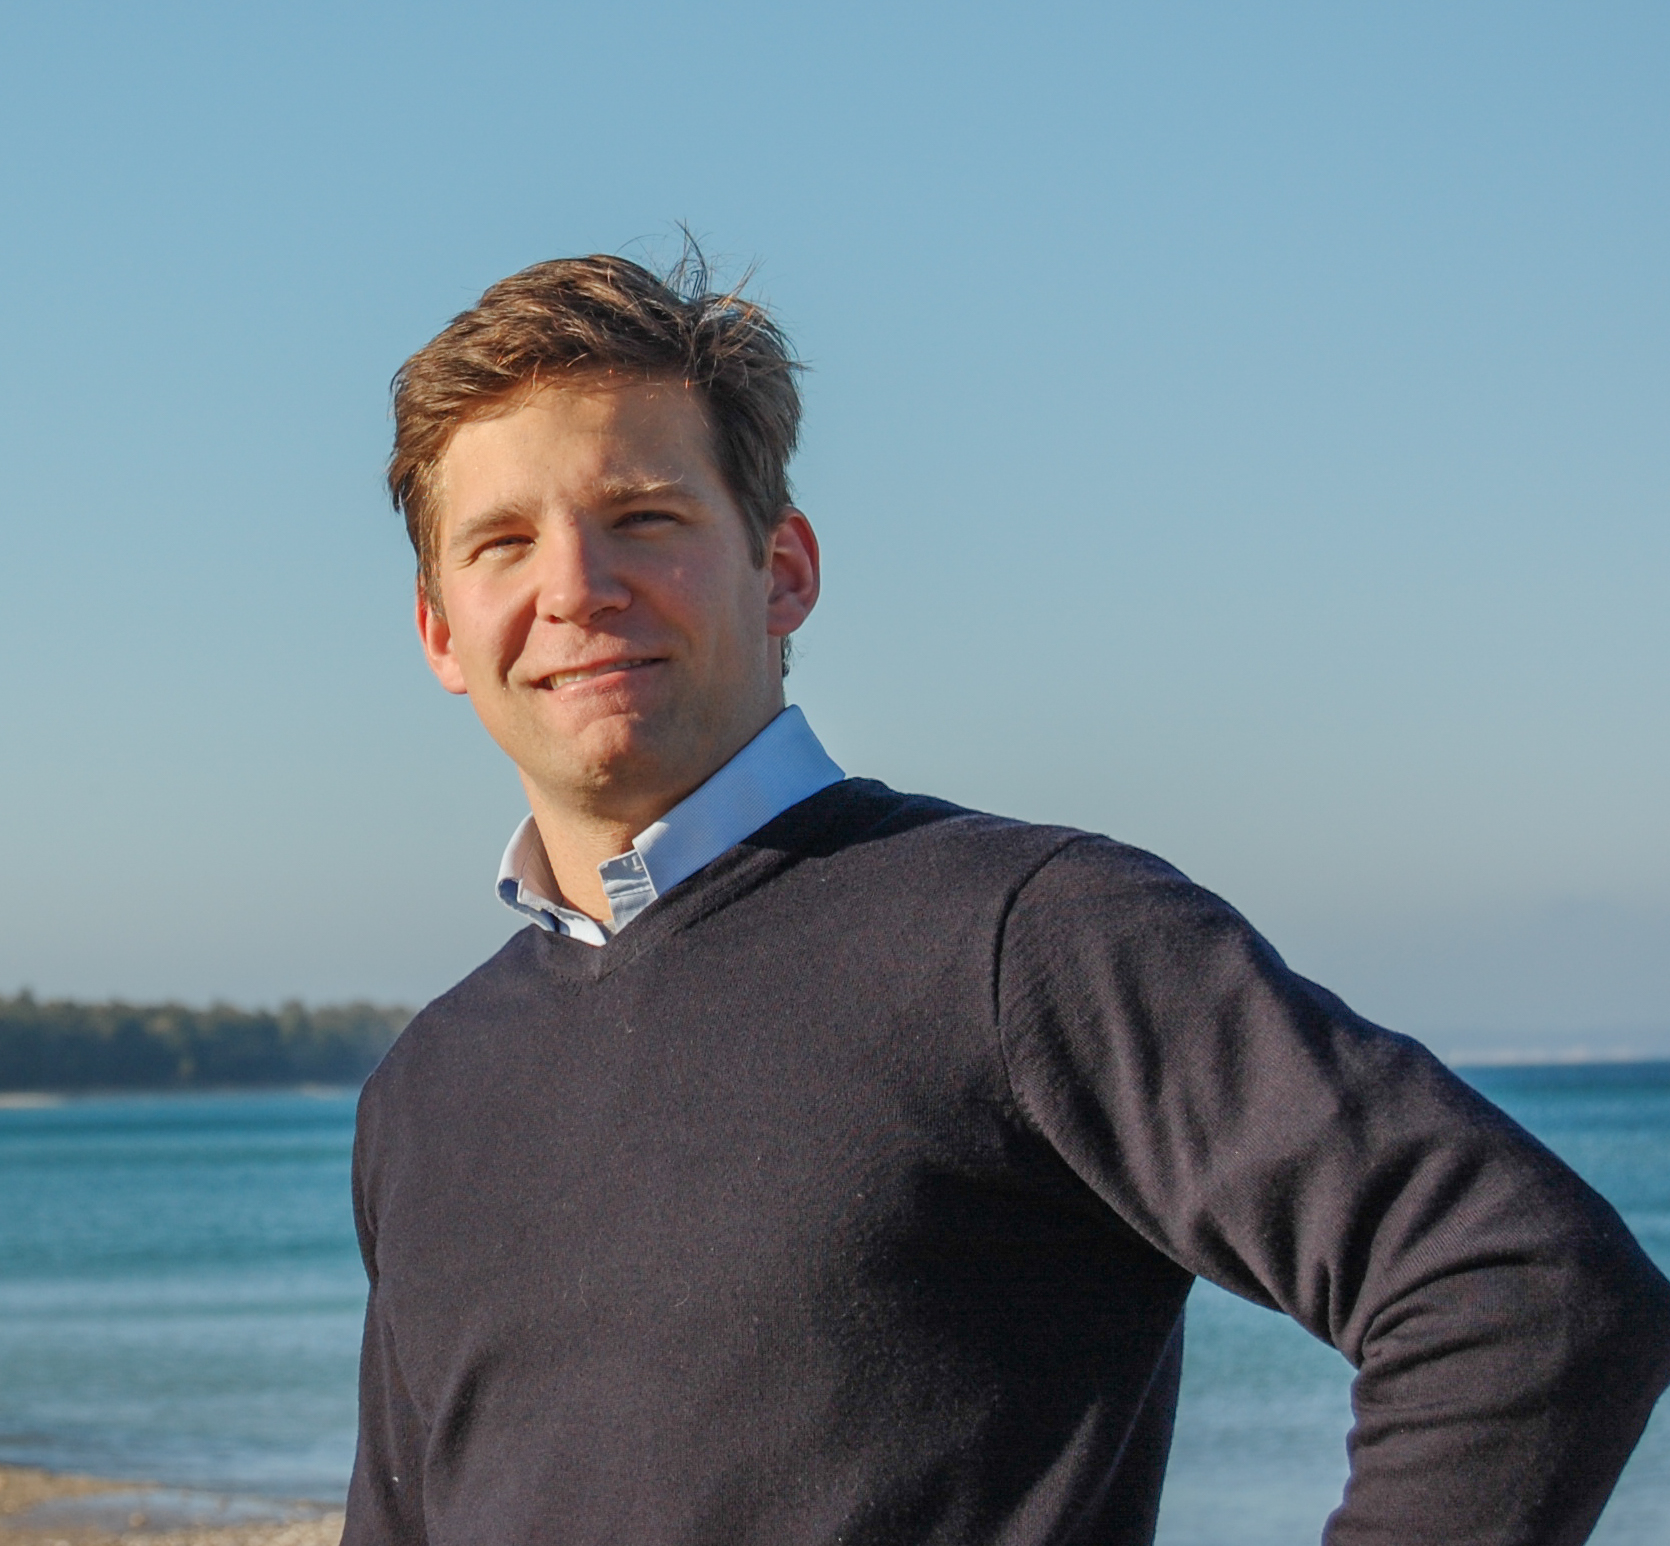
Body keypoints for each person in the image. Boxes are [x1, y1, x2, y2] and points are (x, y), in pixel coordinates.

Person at [344, 250, 1670, 1546]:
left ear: (783, 568)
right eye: (503, 541)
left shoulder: (1023, 937)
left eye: (643, 517)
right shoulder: (430, 1088)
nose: (575, 586)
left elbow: (1522, 1286)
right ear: (442, 633)